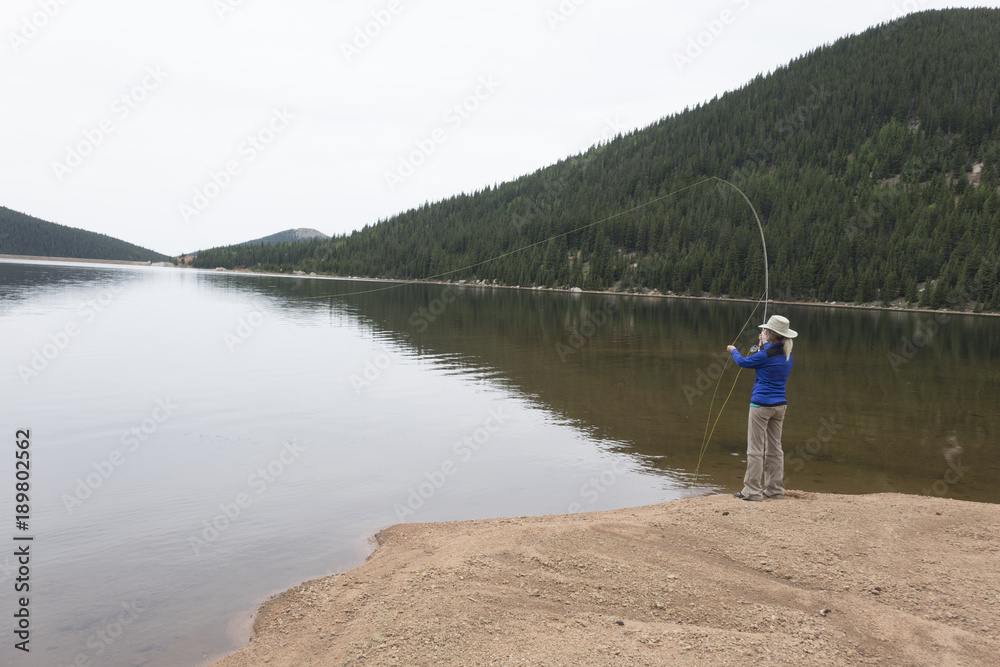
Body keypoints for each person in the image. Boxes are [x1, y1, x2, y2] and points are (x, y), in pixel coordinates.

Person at [726, 314, 797, 502]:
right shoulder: (787, 355)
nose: (763, 332)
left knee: (755, 450)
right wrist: (764, 343)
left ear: (772, 334)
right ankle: (774, 490)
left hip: (761, 407)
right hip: (780, 407)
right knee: (775, 450)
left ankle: (752, 492)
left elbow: (742, 362)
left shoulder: (765, 354)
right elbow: (768, 357)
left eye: (765, 330)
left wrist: (733, 350)